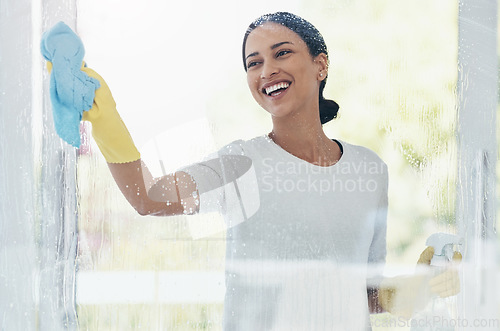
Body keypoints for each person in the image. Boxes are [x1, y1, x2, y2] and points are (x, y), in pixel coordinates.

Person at [45, 11, 460, 330]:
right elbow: (149, 197)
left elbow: (365, 290)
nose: (266, 71)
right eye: (253, 62)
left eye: (282, 53)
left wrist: (411, 290)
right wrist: (105, 117)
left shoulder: (370, 171)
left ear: (321, 65)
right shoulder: (243, 166)